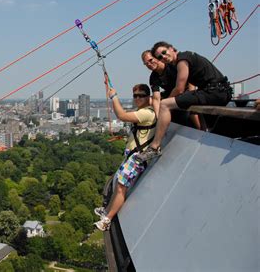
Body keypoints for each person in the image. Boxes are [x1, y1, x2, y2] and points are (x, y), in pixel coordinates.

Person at [136, 42, 232, 163]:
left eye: (164, 53)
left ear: (171, 49)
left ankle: (154, 147)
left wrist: (169, 102)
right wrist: (158, 114)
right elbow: (156, 98)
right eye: (160, 57)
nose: (163, 57)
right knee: (166, 103)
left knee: (165, 104)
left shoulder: (181, 61)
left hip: (215, 91)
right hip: (216, 90)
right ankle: (202, 132)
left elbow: (180, 88)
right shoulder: (175, 63)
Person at [94, 84, 156, 231]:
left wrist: (114, 96)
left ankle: (107, 220)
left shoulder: (147, 113)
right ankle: (106, 210)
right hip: (133, 155)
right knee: (119, 184)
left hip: (138, 157)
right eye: (135, 96)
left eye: (141, 95)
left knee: (121, 187)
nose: (138, 98)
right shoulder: (143, 111)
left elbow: (121, 115)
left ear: (148, 97)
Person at [141, 50, 201, 128]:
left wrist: (191, 92)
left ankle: (200, 130)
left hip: (185, 90)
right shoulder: (153, 77)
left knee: (191, 106)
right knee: (151, 100)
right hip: (172, 95)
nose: (149, 64)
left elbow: (189, 76)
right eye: (146, 63)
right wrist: (158, 117)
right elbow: (156, 98)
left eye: (150, 60)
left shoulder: (171, 66)